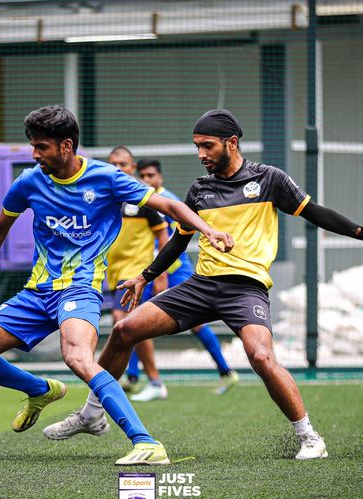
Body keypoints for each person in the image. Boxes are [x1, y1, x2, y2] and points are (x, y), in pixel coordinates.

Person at [53, 109, 363, 460]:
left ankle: (309, 438)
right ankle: (92, 413)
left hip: (246, 289)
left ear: (231, 143)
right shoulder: (200, 189)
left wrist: (358, 231)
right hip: (201, 286)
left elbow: (314, 211)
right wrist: (144, 277)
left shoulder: (269, 179)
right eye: (197, 146)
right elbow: (178, 240)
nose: (201, 154)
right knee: (124, 330)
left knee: (261, 356)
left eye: (207, 146)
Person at [0, 105, 233, 466]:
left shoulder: (107, 178)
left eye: (41, 147)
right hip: (36, 292)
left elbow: (169, 207)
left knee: (77, 357)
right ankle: (40, 390)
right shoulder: (29, 182)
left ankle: (146, 442)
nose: (34, 154)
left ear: (66, 146)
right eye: (32, 146)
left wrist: (207, 230)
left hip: (80, 289)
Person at [124, 157, 238, 400]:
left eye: (151, 176)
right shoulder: (141, 199)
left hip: (175, 269)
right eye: (143, 176)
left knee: (195, 323)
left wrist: (162, 275)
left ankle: (225, 371)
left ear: (160, 177)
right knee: (133, 319)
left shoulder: (169, 201)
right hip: (153, 270)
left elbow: (175, 238)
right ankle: (132, 377)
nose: (147, 180)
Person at [106, 147, 169, 401]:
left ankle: (146, 380)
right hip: (113, 273)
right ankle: (139, 379)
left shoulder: (141, 195)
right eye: (113, 164)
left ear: (132, 168)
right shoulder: (106, 195)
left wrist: (160, 273)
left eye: (123, 164)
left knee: (124, 320)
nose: (118, 168)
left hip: (136, 271)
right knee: (129, 325)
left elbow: (163, 233)